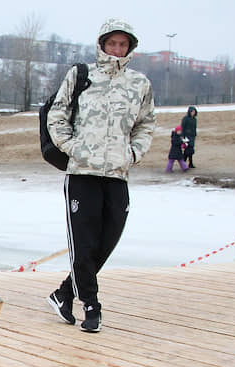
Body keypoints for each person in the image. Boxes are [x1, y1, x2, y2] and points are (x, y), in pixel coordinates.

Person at [45, 18, 156, 333]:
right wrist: (71, 147)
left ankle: (64, 293)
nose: (117, 49)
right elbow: (58, 112)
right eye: (112, 44)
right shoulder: (82, 76)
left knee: (108, 238)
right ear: (102, 44)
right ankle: (91, 306)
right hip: (82, 172)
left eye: (123, 44)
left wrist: (133, 153)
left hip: (117, 174)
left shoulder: (140, 83)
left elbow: (146, 123)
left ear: (130, 47)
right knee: (84, 242)